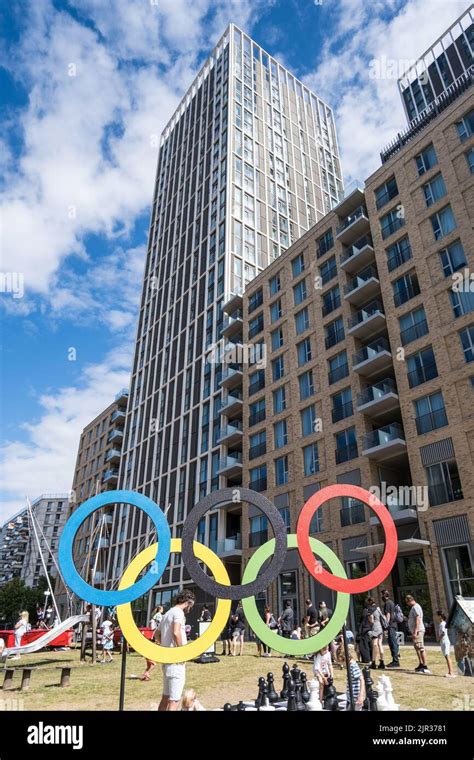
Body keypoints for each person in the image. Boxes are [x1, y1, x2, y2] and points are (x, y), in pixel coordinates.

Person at [155, 589, 195, 711]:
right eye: (190, 606)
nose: (190, 609)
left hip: (167, 661)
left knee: (166, 698)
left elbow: (157, 634)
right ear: (188, 602)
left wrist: (165, 646)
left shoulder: (167, 613)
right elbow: (176, 632)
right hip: (176, 662)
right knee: (175, 701)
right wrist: (181, 651)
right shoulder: (178, 613)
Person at [337, 643, 366, 711]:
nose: (341, 664)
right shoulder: (350, 665)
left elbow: (362, 680)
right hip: (351, 698)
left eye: (341, 661)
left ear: (344, 658)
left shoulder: (353, 666)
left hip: (356, 699)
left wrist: (361, 696)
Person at [406, 594, 430, 674]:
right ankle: (421, 663)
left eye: (407, 602)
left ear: (410, 600)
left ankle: (425, 666)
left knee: (421, 647)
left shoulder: (416, 607)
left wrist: (416, 631)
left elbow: (418, 619)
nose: (407, 604)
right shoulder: (413, 608)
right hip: (415, 631)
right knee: (417, 648)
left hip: (418, 631)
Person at [366, 596, 386, 670]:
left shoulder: (370, 609)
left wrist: (369, 620)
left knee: (374, 645)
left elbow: (371, 620)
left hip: (375, 627)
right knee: (380, 644)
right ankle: (382, 662)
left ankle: (373, 662)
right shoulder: (378, 608)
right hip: (380, 627)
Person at [382, 590, 400, 668]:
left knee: (392, 642)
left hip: (390, 626)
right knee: (394, 642)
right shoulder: (391, 602)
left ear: (385, 595)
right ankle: (395, 658)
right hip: (393, 625)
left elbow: (388, 615)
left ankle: (395, 661)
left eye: (382, 595)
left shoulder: (387, 603)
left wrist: (386, 626)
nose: (381, 597)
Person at [436, 611, 455, 678]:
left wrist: (438, 638)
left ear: (440, 616)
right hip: (443, 642)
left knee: (447, 656)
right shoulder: (441, 624)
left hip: (445, 641)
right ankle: (450, 671)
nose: (436, 617)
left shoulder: (443, 624)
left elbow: (443, 633)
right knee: (446, 656)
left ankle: (451, 672)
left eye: (437, 615)